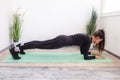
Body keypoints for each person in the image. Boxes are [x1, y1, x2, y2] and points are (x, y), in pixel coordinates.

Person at [9, 29, 105, 60]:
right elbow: (85, 57)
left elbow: (82, 52)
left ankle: (20, 48)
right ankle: (15, 50)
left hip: (62, 38)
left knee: (39, 43)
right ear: (97, 38)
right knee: (39, 44)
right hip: (62, 41)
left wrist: (88, 52)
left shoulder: (87, 37)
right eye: (99, 41)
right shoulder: (88, 41)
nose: (98, 42)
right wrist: (95, 57)